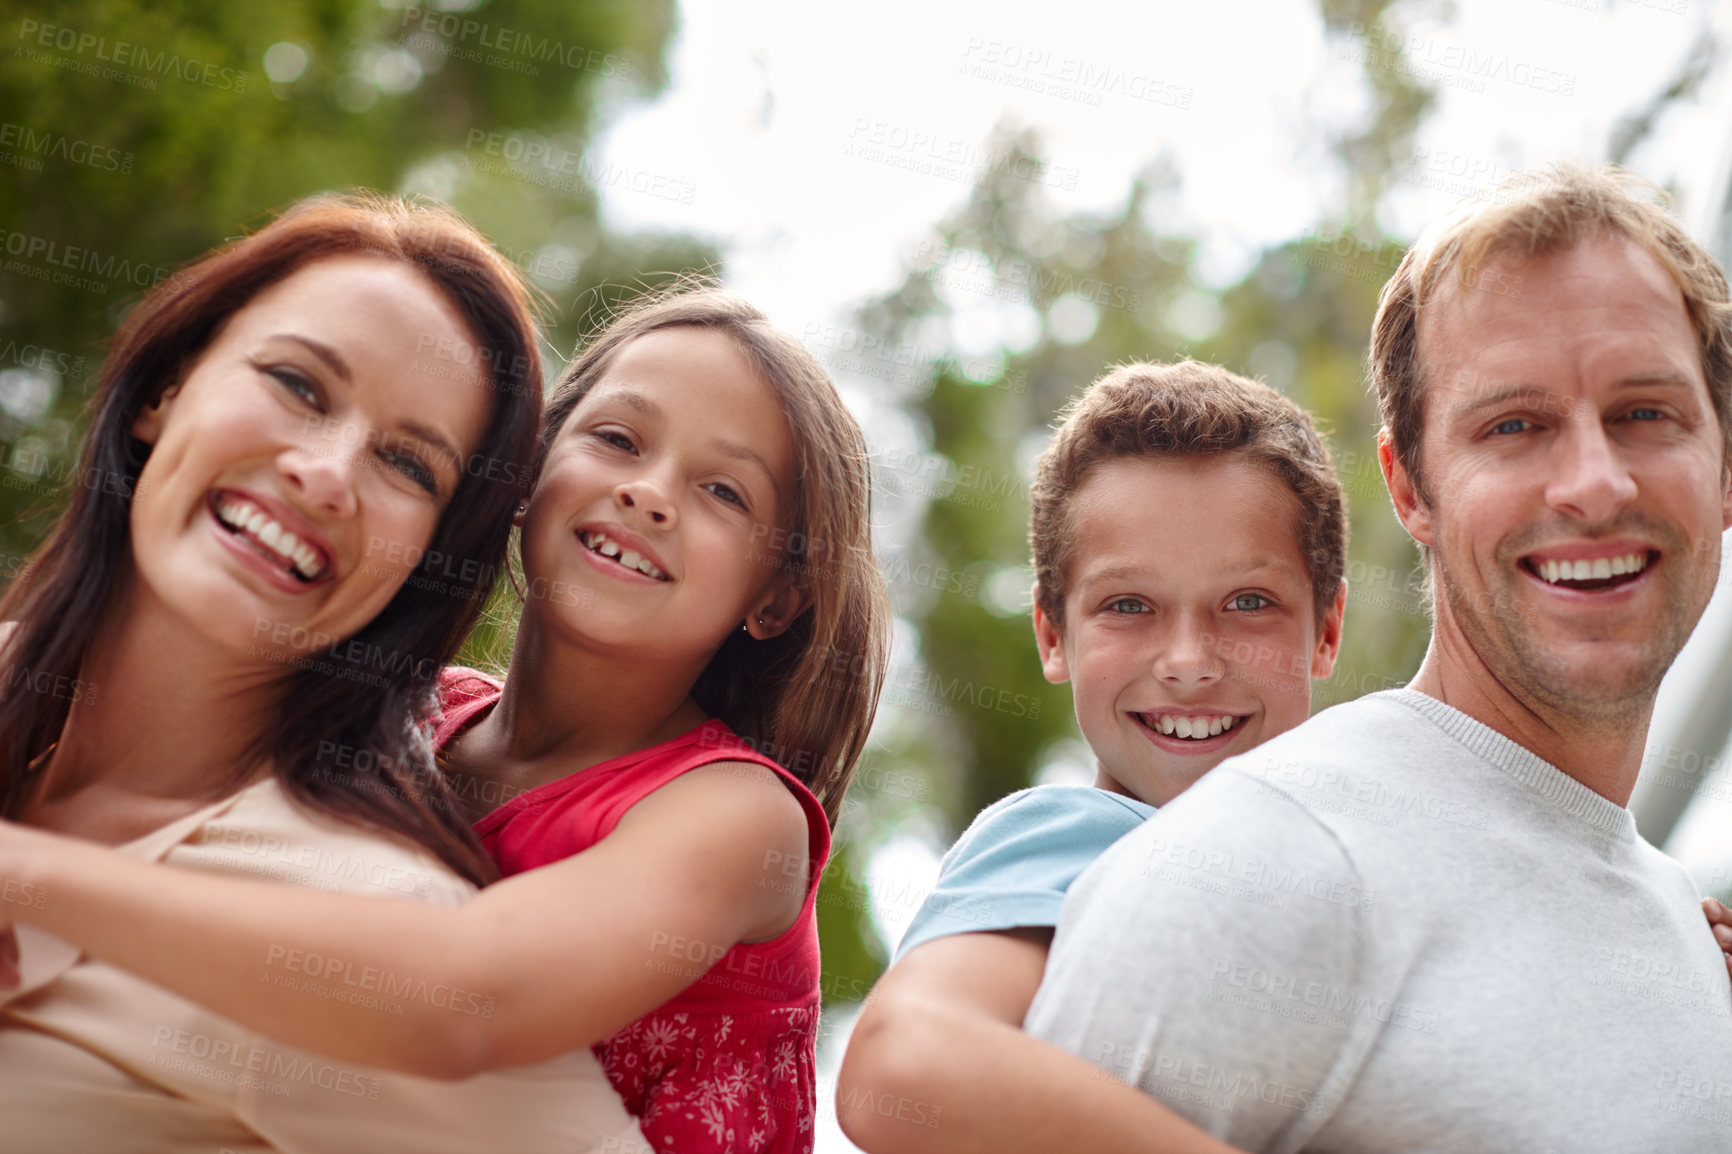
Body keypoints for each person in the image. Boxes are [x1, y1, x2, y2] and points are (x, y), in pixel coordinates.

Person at [0, 286, 891, 1154]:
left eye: (725, 493)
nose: (650, 494)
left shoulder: (736, 813)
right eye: (617, 439)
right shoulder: (417, 712)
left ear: (776, 598)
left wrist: (33, 877)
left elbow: (472, 1000)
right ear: (525, 474)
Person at [1026, 164, 1732, 1151]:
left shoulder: (1684, 928)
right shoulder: (1256, 866)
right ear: (1410, 489)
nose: (1593, 482)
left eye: (1644, 412)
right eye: (1513, 425)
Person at [0, 194, 648, 1152]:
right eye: (299, 385)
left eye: (407, 464)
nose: (327, 472)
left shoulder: (363, 912)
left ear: (424, 560)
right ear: (165, 391)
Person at [838, 360, 1347, 1154]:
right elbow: (900, 1064)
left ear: (1326, 628)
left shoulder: (1346, 861)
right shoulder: (1071, 836)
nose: (1187, 660)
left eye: (1248, 602)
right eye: (1129, 606)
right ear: (1051, 635)